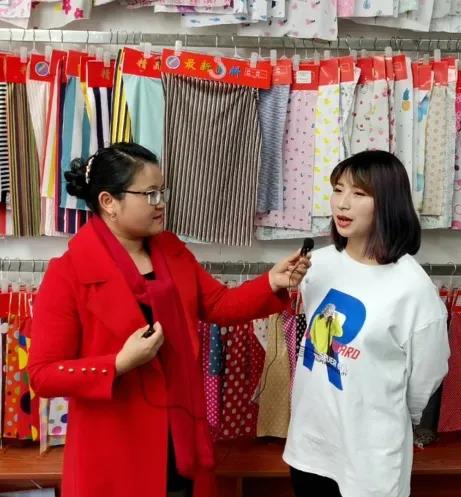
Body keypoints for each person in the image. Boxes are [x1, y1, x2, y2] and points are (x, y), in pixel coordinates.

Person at [27, 142, 310, 497]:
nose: (160, 202)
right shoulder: (68, 274)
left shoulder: (171, 250)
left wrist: (272, 281)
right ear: (109, 202)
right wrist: (118, 364)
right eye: (149, 194)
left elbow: (219, 304)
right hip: (115, 448)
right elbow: (43, 374)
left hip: (181, 435)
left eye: (162, 191)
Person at [284, 150, 450, 497]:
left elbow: (426, 376)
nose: (342, 203)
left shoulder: (413, 288)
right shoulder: (317, 265)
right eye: (338, 189)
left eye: (359, 193)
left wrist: (388, 414)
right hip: (309, 448)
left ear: (388, 203)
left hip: (370, 459)